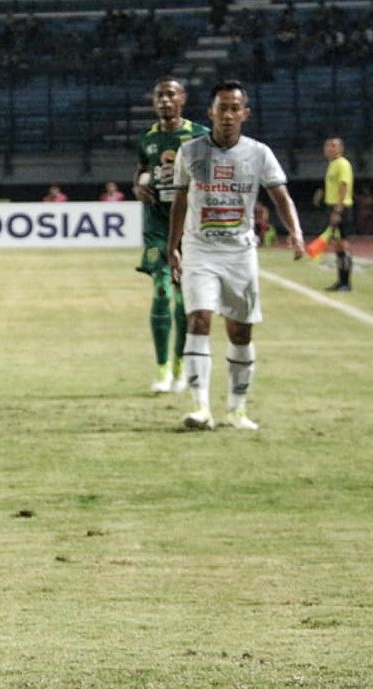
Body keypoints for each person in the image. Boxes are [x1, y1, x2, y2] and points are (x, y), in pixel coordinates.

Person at [168, 80, 305, 432]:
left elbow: (280, 197)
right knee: (199, 319)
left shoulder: (259, 153)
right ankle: (200, 409)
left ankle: (236, 410)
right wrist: (173, 246)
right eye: (222, 108)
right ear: (210, 112)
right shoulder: (190, 152)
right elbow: (180, 200)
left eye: (234, 108)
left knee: (240, 332)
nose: (228, 115)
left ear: (245, 113)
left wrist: (296, 231)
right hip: (200, 249)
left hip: (240, 253)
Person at [133, 78, 210, 394]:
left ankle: (180, 369)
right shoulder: (147, 138)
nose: (164, 100)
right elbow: (139, 170)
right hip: (157, 227)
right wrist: (138, 186)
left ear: (182, 99)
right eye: (159, 95)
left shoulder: (199, 135)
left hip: (189, 229)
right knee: (162, 292)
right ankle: (162, 370)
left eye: (170, 94)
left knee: (183, 301)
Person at [312, 137, 354, 291]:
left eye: (333, 146)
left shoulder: (342, 164)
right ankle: (341, 280)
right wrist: (321, 193)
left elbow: (344, 186)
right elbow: (332, 183)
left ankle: (346, 283)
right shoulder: (332, 165)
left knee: (343, 244)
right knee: (337, 245)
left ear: (341, 149)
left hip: (341, 207)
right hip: (332, 206)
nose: (329, 149)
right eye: (327, 146)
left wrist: (338, 209)